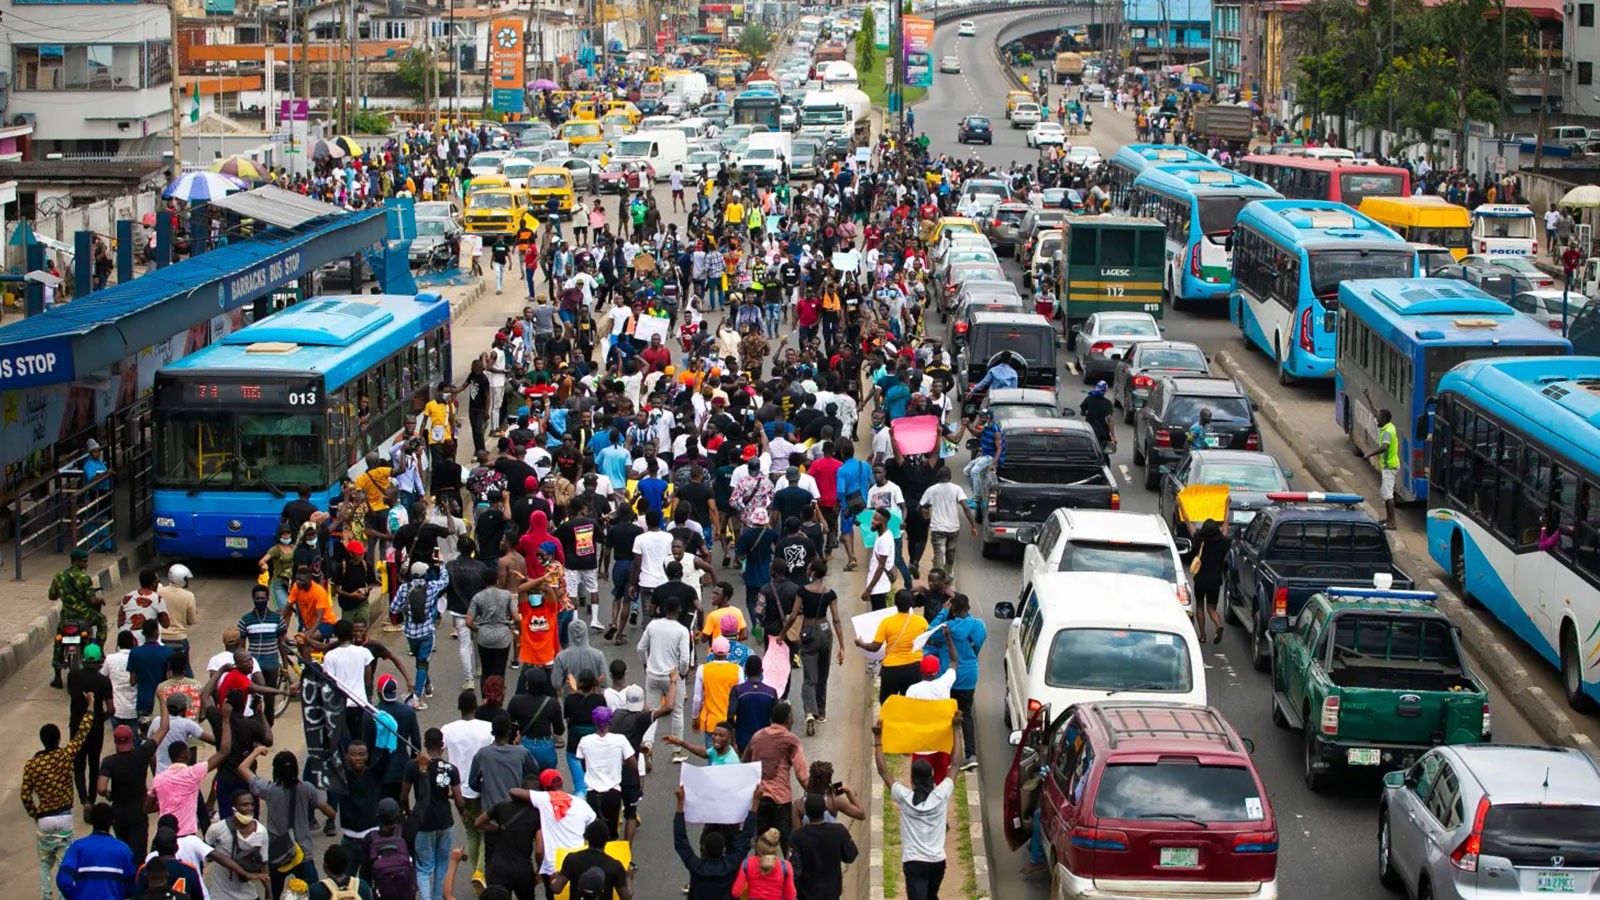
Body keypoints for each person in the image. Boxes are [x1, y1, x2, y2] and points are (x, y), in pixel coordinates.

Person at [874, 716, 959, 900]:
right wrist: (956, 729)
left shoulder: (905, 798)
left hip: (914, 863)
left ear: (912, 779)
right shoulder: (941, 794)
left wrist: (878, 739)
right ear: (931, 776)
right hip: (937, 862)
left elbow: (883, 771)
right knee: (932, 896)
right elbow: (957, 763)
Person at [26, 704, 96, 899]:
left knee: (44, 863)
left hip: (44, 820)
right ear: (58, 739)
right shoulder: (65, 756)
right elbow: (82, 733)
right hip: (64, 817)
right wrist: (89, 706)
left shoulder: (33, 764)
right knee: (65, 864)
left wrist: (35, 813)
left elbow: (25, 794)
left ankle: (46, 896)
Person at [923, 593, 985, 769]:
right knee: (966, 714)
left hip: (949, 675)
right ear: (968, 607)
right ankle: (971, 754)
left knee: (947, 715)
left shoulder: (946, 628)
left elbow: (928, 634)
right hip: (970, 675)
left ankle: (949, 754)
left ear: (953, 609)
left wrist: (943, 612)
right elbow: (978, 645)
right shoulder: (980, 626)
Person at [741, 700, 808, 851]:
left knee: (761, 842)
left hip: (759, 798)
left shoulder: (757, 736)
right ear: (788, 720)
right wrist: (814, 793)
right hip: (781, 799)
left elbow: (745, 763)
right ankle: (787, 872)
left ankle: (759, 871)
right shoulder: (792, 740)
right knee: (786, 843)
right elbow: (801, 773)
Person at [672, 785, 757, 900]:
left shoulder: (697, 867)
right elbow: (745, 839)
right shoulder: (731, 865)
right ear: (723, 849)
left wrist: (680, 804)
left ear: (704, 848)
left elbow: (680, 841)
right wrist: (755, 802)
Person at [575, 706, 635, 840]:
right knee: (612, 834)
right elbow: (633, 764)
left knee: (594, 834)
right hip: (613, 793)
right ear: (610, 722)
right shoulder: (620, 740)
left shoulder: (585, 741)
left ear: (594, 722)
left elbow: (583, 764)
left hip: (592, 793)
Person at [855, 590, 928, 702]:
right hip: (914, 668)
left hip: (892, 669)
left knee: (887, 703)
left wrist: (861, 644)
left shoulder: (887, 622)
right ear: (911, 604)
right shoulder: (921, 622)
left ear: (895, 604)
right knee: (910, 702)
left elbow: (874, 647)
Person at [57, 802, 137, 900]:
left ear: (91, 820)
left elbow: (64, 880)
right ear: (112, 822)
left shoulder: (77, 847)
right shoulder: (124, 850)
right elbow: (132, 885)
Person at [51, 549, 107, 688]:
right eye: (84, 561)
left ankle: (57, 677)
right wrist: (100, 600)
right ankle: (99, 649)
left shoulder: (59, 576)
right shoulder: (84, 578)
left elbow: (52, 596)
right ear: (76, 561)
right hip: (84, 615)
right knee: (102, 621)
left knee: (58, 641)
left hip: (67, 616)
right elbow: (91, 599)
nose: (86, 564)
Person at [788, 792, 858, 900]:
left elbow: (794, 867)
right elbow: (850, 857)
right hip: (832, 893)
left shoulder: (796, 836)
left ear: (805, 812)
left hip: (806, 894)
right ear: (825, 810)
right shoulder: (838, 831)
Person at [204, 789, 270, 900]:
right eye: (245, 805)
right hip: (221, 894)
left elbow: (264, 865)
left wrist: (269, 894)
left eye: (251, 804)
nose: (249, 808)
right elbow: (206, 852)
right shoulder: (217, 829)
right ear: (234, 807)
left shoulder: (261, 832)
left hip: (248, 894)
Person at [917, 469, 975, 579]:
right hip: (953, 528)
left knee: (939, 554)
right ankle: (948, 574)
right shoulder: (957, 489)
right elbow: (966, 507)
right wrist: (973, 526)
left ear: (938, 477)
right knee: (950, 552)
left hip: (938, 528)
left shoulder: (931, 490)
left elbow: (919, 507)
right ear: (950, 477)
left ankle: (938, 579)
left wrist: (925, 512)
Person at [550, 821, 630, 900]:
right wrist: (629, 877)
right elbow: (626, 896)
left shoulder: (572, 859)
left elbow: (556, 889)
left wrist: (553, 878)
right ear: (606, 840)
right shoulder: (615, 866)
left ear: (587, 838)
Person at [1190, 519, 1231, 644]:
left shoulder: (1199, 539)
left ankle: (1202, 636)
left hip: (1200, 580)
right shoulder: (1223, 542)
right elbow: (1225, 525)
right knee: (1211, 608)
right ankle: (1218, 625)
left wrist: (1182, 507)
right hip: (1215, 581)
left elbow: (1189, 525)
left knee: (1200, 606)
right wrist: (1226, 508)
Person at [729, 827, 796, 900]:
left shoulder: (747, 863)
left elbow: (736, 893)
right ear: (777, 849)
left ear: (758, 846)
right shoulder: (786, 866)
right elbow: (790, 897)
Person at [1365, 407, 1400, 530]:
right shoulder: (1390, 426)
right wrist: (1368, 399)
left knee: (1387, 495)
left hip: (1389, 467)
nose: (1376, 420)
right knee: (1385, 493)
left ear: (1384, 419)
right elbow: (1376, 413)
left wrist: (1369, 454)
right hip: (1391, 465)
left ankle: (1392, 523)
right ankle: (1388, 519)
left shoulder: (1386, 432)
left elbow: (1384, 447)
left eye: (1378, 418)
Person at [1080, 380, 1116, 455]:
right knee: (1104, 454)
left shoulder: (1089, 399)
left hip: (1089, 433)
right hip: (1103, 434)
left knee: (1089, 453)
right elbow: (1110, 419)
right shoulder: (1107, 403)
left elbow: (1082, 412)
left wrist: (1087, 414)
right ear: (1105, 391)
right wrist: (1113, 436)